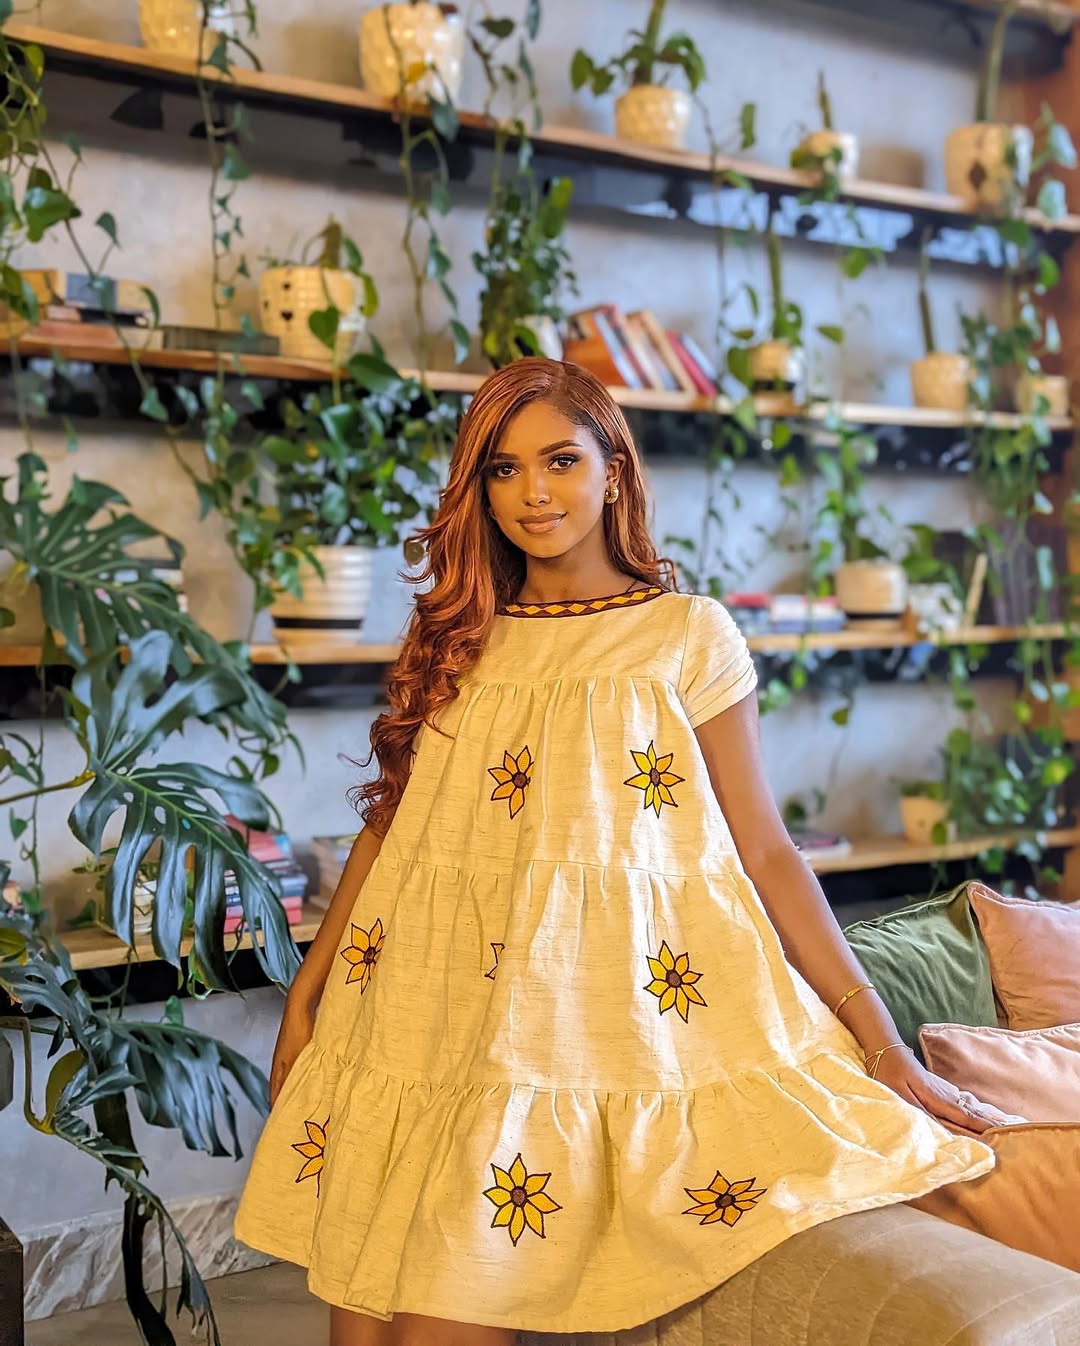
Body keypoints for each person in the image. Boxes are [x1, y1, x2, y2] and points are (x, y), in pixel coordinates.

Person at [234, 357, 1010, 1345]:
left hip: (552, 1025)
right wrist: (311, 981)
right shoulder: (459, 634)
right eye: (502, 470)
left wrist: (884, 1047)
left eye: (559, 459)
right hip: (415, 1007)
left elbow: (766, 849)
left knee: (444, 1317)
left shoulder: (687, 634)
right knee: (359, 1324)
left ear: (615, 471)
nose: (534, 492)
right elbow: (395, 823)